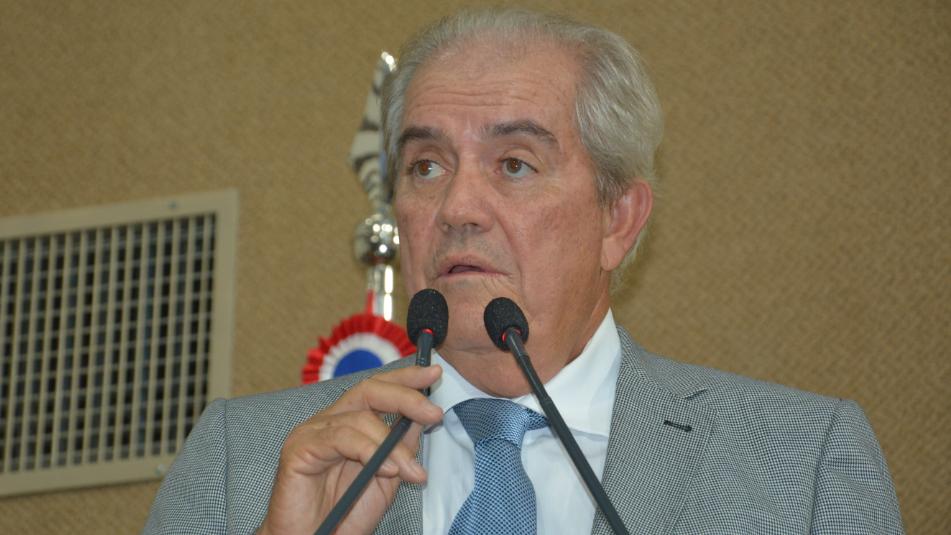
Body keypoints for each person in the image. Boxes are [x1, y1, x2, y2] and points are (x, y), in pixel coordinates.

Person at [144, 8, 903, 535]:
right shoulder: (241, 461)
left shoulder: (801, 462)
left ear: (618, 218)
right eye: (426, 165)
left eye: (514, 163)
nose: (457, 207)